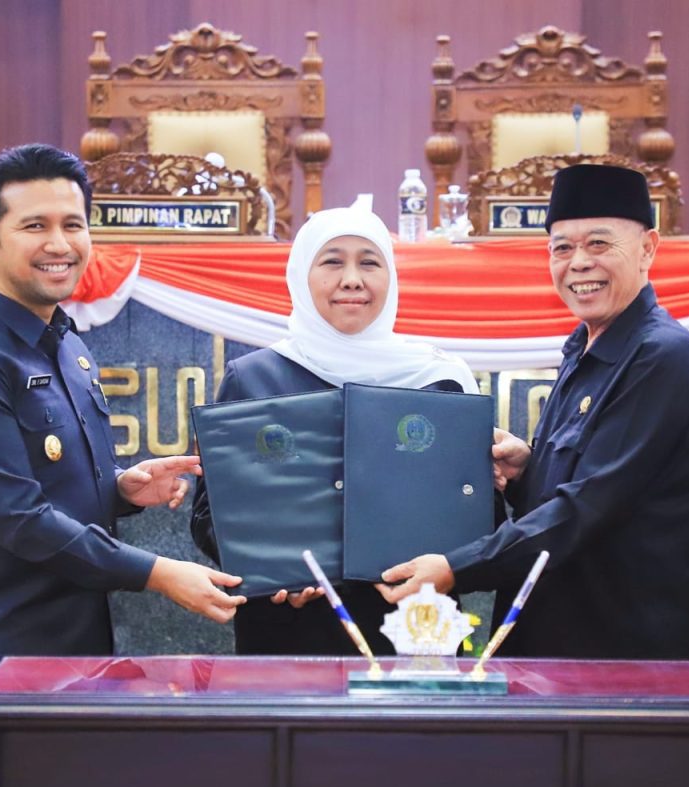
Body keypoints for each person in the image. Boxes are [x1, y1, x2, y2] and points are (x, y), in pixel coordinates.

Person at [0, 144, 246, 697]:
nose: (59, 244)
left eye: (73, 224)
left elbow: (48, 480)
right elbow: (20, 519)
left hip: (74, 656)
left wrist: (120, 488)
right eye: (35, 226)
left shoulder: (63, 342)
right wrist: (160, 573)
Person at [378, 164, 689, 660]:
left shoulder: (663, 358)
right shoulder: (584, 348)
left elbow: (587, 507)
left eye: (599, 244)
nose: (578, 263)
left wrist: (456, 567)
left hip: (628, 654)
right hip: (561, 641)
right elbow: (582, 486)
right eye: (562, 248)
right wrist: (526, 471)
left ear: (648, 249)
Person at [191, 202, 478, 655]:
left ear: (391, 277)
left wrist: (450, 561)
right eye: (332, 262)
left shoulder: (441, 378)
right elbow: (210, 514)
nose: (352, 279)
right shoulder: (253, 380)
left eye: (369, 262)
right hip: (290, 627)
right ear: (301, 275)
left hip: (414, 626)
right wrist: (270, 569)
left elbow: (478, 509)